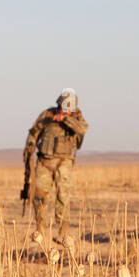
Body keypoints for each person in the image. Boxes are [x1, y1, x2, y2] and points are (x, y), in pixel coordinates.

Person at [23, 89, 88, 244]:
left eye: (67, 108)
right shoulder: (47, 114)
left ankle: (63, 232)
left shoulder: (76, 117)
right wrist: (29, 149)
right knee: (39, 196)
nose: (64, 110)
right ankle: (40, 230)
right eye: (62, 106)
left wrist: (65, 119)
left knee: (63, 197)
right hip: (44, 161)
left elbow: (82, 129)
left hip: (64, 162)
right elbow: (34, 132)